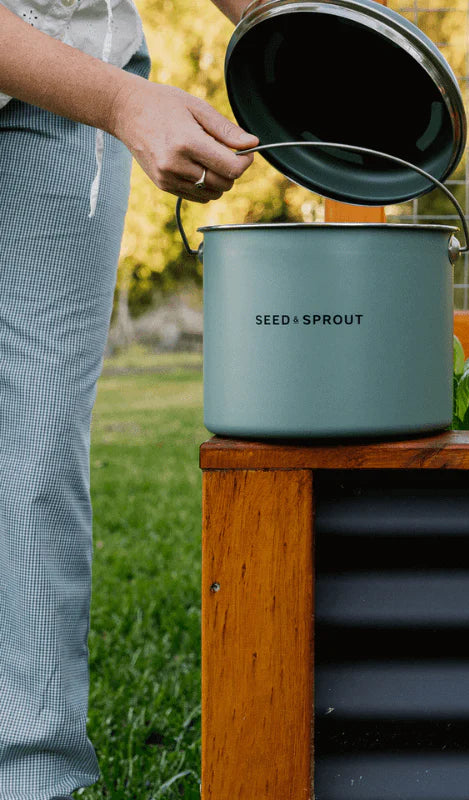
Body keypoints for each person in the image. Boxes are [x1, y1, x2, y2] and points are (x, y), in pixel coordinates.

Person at [0, 0, 258, 797]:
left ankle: (32, 775)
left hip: (65, 69)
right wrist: (123, 102)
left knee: (37, 439)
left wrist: (283, 23)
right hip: (94, 86)